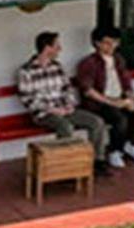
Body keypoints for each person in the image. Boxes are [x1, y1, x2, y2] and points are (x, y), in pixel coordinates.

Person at [16, 31, 111, 160]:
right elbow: (28, 100)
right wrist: (53, 110)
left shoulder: (57, 67)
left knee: (97, 122)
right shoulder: (26, 71)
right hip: (44, 114)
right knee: (65, 126)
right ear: (47, 48)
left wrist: (69, 105)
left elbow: (67, 89)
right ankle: (66, 164)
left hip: (65, 109)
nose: (60, 49)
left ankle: (97, 160)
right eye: (57, 46)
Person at [75, 29, 134, 168]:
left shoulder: (118, 59)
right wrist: (114, 103)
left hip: (120, 98)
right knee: (120, 118)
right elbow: (88, 91)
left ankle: (132, 143)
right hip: (99, 104)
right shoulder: (89, 63)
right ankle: (115, 151)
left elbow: (126, 82)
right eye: (107, 43)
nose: (112, 46)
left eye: (115, 43)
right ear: (97, 43)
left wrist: (131, 99)